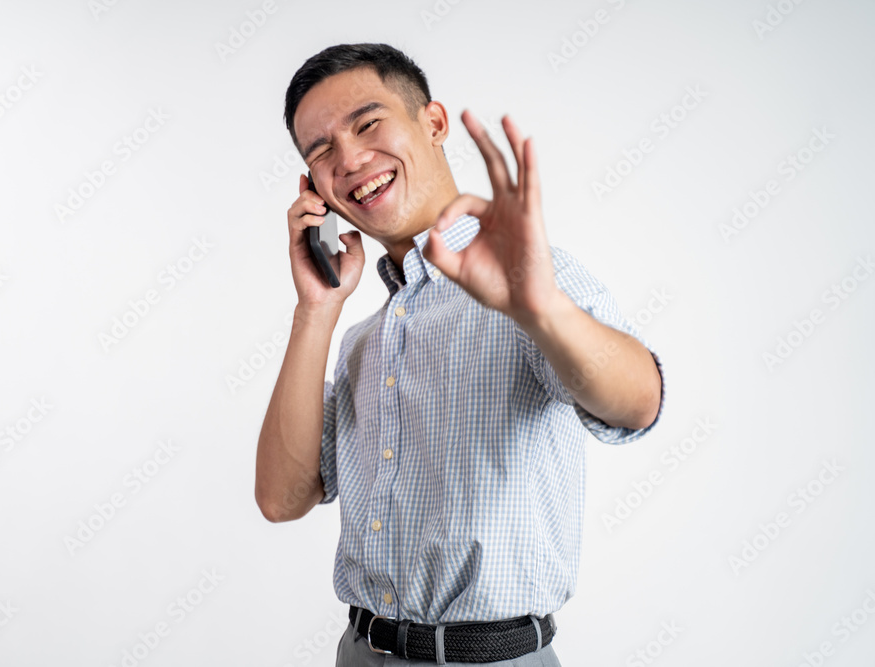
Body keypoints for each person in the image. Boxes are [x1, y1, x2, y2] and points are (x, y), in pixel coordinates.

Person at [256, 43, 666, 666]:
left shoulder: (530, 282)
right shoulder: (362, 340)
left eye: (368, 123)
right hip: (359, 651)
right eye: (321, 151)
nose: (350, 158)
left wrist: (536, 306)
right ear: (314, 187)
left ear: (434, 123)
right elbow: (282, 500)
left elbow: (637, 402)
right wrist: (316, 310)